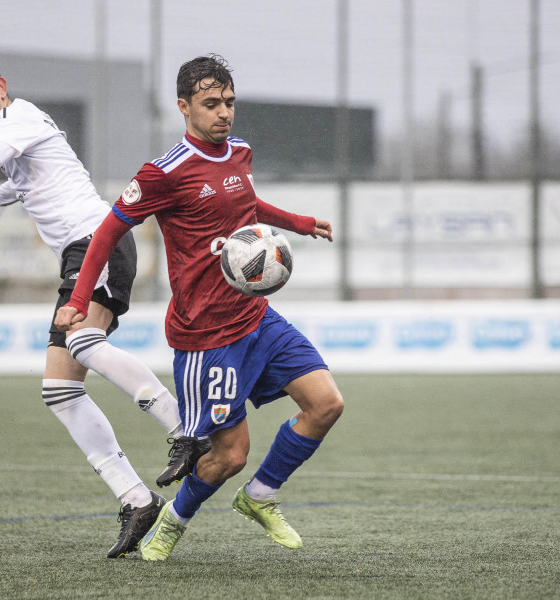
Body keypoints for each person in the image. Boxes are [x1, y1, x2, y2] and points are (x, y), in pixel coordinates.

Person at [0, 55, 210, 558]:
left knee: (82, 341)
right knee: (60, 389)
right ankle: (136, 498)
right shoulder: (14, 137)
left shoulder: (21, 119)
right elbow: (15, 180)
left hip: (95, 242)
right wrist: (1, 191)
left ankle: (184, 426)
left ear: (0, 86)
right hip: (83, 252)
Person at [54, 54, 344, 561]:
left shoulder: (240, 152)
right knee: (227, 456)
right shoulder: (163, 173)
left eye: (230, 102)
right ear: (184, 107)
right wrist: (78, 300)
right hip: (207, 337)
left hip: (257, 319)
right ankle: (173, 520)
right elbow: (108, 231)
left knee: (326, 405)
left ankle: (261, 496)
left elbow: (249, 204)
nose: (224, 113)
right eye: (212, 104)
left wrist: (297, 222)